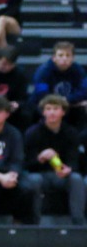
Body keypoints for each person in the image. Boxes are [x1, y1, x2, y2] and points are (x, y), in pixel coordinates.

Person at [25, 93, 85, 222]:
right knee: (33, 180)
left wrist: (68, 169)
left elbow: (74, 160)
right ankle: (34, 222)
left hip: (60, 175)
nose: (52, 112)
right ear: (43, 112)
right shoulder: (32, 133)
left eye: (56, 109)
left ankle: (78, 221)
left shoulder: (71, 133)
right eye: (48, 109)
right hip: (39, 174)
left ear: (63, 112)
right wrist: (39, 159)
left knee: (76, 179)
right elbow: (26, 163)